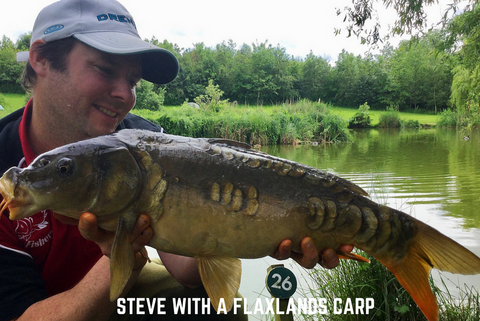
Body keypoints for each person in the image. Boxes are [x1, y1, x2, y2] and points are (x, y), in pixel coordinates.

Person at [0, 0, 354, 320]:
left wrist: (261, 228)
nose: (125, 96)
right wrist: (118, 258)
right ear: (41, 58)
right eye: (105, 70)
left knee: (213, 308)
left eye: (133, 80)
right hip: (39, 306)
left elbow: (187, 270)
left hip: (122, 292)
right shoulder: (9, 168)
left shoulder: (143, 143)